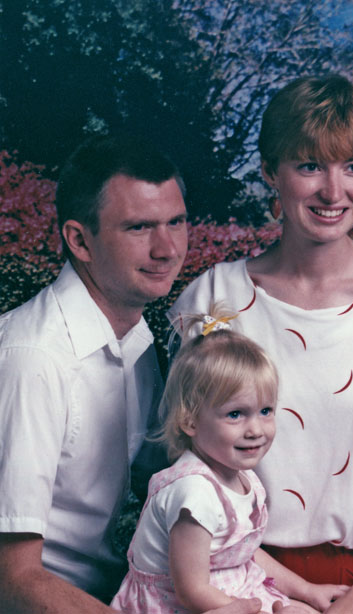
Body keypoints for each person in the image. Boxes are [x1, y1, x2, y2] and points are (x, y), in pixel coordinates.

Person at [168, 75, 353, 614]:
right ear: (271, 173)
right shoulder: (213, 297)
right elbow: (187, 474)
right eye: (310, 166)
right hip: (238, 581)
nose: (335, 192)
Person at [0, 135, 266, 614]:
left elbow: (175, 487)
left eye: (177, 222)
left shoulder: (138, 338)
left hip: (114, 594)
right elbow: (12, 579)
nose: (167, 249)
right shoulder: (32, 358)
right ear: (80, 240)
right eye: (140, 227)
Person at [111, 305, 348, 614]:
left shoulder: (241, 475)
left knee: (303, 610)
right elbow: (191, 590)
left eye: (265, 411)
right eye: (236, 414)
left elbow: (242, 554)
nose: (256, 429)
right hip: (179, 602)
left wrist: (306, 590)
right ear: (190, 421)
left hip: (231, 587)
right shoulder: (194, 493)